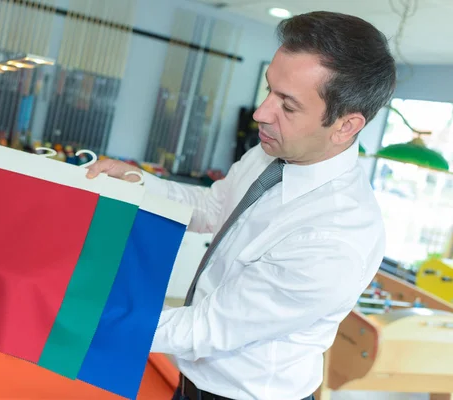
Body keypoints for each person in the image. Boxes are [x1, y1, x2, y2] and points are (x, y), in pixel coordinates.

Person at [86, 11, 396, 400]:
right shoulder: (272, 152)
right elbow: (214, 208)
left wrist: (90, 318)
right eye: (269, 90)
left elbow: (207, 329)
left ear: (346, 126)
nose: (261, 113)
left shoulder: (335, 238)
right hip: (192, 378)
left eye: (287, 105)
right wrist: (137, 184)